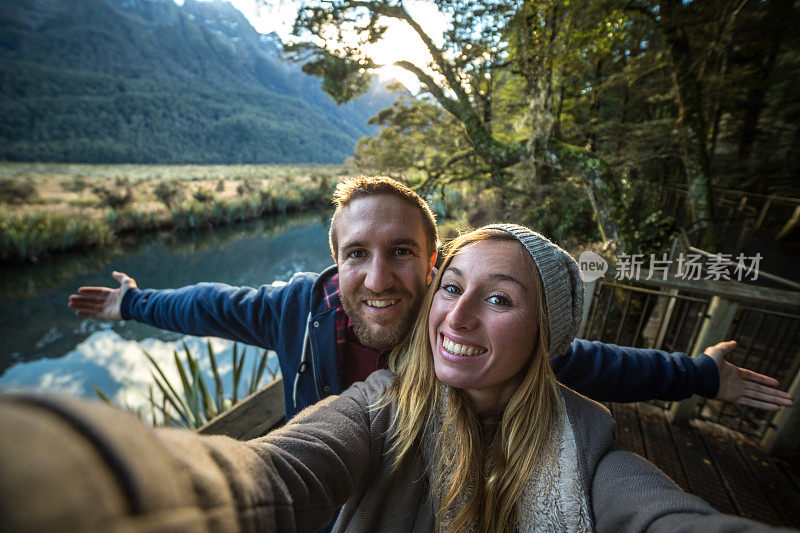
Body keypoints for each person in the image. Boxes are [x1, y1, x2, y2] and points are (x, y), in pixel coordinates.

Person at [5, 224, 788, 532]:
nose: (457, 317)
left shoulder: (583, 435)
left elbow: (653, 504)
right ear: (336, 260)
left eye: (500, 298)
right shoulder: (356, 370)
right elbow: (272, 468)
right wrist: (103, 475)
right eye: (457, 288)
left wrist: (700, 375)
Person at [68, 176, 793, 421]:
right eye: (357, 254)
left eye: (401, 253)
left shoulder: (461, 334)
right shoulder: (294, 309)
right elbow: (207, 303)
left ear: (434, 262)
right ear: (335, 264)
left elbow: (588, 362)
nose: (378, 277)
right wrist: (134, 304)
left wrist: (703, 374)